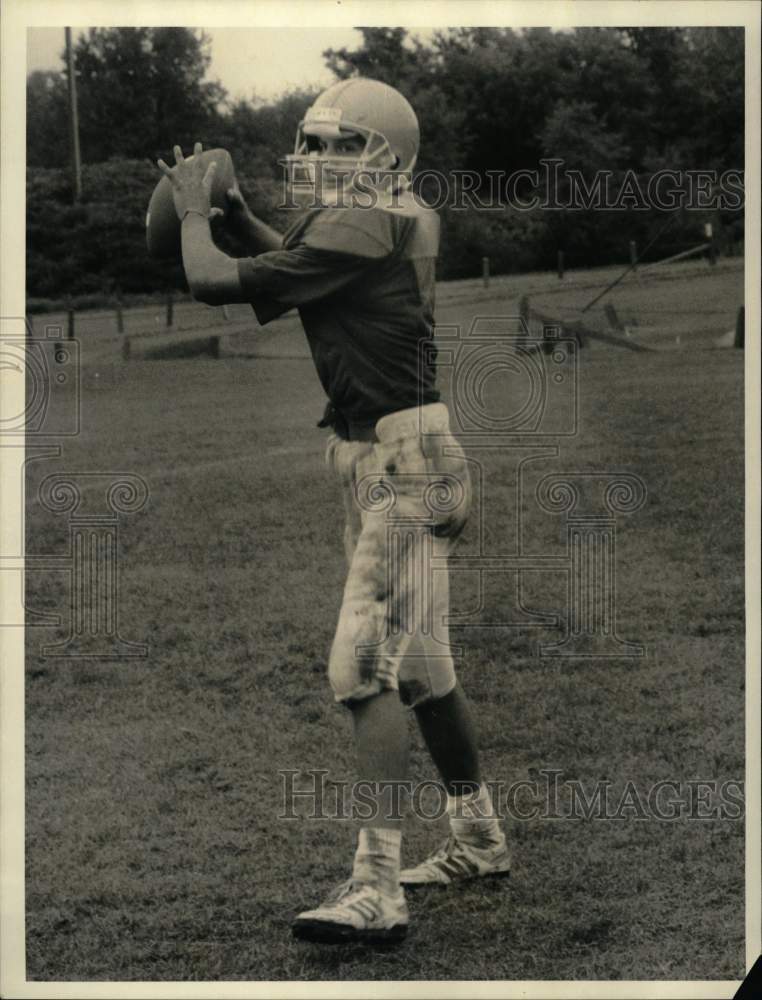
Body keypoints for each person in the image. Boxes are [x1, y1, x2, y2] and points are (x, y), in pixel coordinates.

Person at [157, 77, 510, 947]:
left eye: (332, 144)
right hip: (396, 454)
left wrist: (197, 210)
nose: (311, 160)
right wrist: (236, 212)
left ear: (381, 154)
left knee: (362, 669)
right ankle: (477, 838)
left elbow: (214, 284)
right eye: (308, 143)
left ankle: (376, 886)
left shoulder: (364, 220)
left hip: (399, 464)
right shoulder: (382, 216)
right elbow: (298, 271)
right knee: (423, 667)